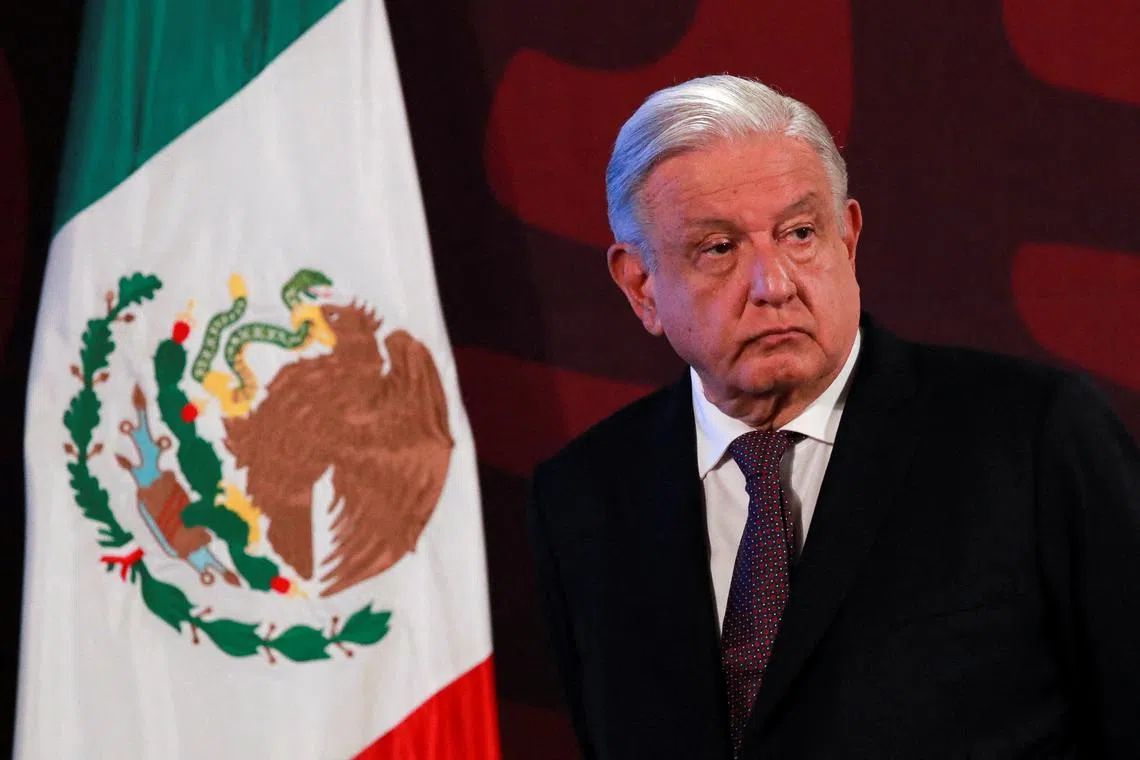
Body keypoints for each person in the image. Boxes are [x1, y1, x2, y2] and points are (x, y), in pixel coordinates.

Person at [525, 74, 1140, 759]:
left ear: (847, 241)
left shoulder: (1029, 438)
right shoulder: (583, 498)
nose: (774, 284)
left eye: (798, 233)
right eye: (720, 248)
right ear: (640, 285)